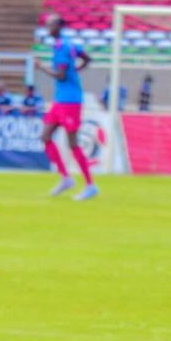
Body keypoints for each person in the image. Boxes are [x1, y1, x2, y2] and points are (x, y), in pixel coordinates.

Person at [35, 14, 98, 201]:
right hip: (60, 99)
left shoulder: (62, 48)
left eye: (51, 25)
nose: (48, 28)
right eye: (46, 25)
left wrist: (41, 67)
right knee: (45, 136)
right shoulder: (69, 44)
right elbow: (87, 58)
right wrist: (75, 71)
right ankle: (66, 178)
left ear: (59, 27)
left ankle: (90, 185)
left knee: (73, 143)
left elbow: (61, 76)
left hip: (70, 100)